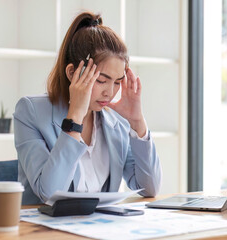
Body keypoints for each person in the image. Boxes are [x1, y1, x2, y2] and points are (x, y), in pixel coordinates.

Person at [14, 11, 162, 205]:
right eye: (101, 81)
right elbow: (49, 193)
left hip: (99, 229)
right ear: (72, 72)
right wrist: (74, 117)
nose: (110, 92)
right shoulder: (30, 112)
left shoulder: (116, 122)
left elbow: (150, 188)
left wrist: (137, 122)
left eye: (117, 82)